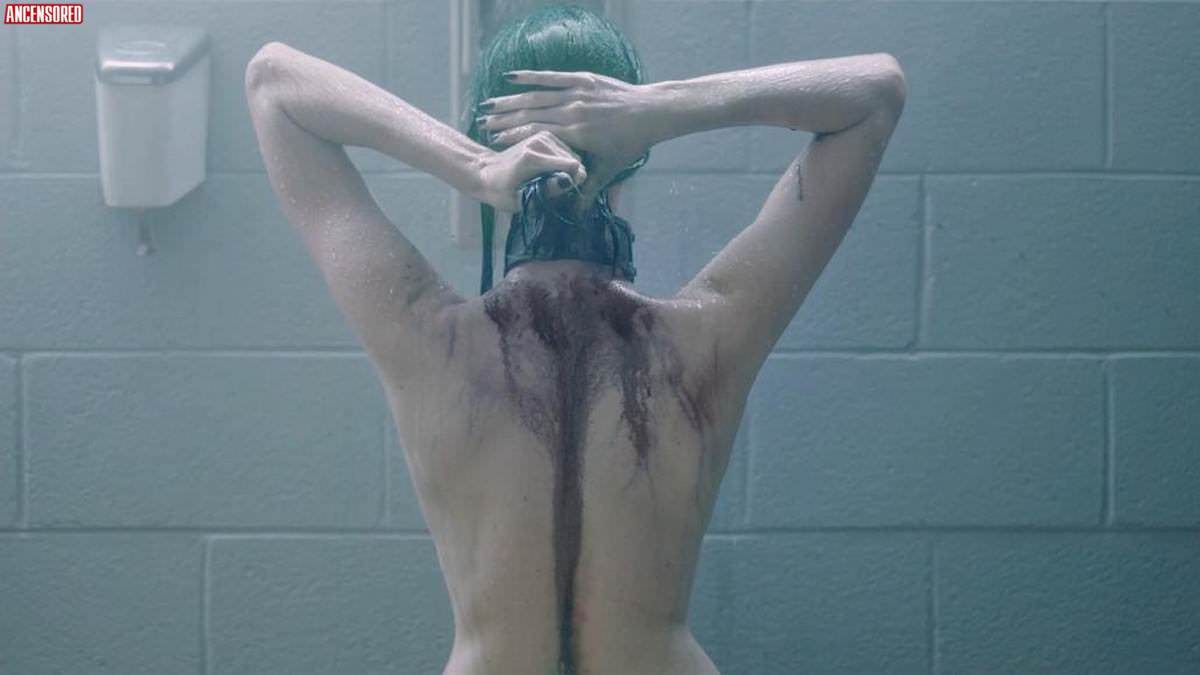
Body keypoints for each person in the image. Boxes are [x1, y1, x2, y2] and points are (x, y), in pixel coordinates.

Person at [244, 4, 905, 673]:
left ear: (492, 137)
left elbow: (275, 85)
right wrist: (660, 111)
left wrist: (475, 167)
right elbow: (873, 95)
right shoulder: (706, 335)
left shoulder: (425, 336)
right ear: (629, 156)